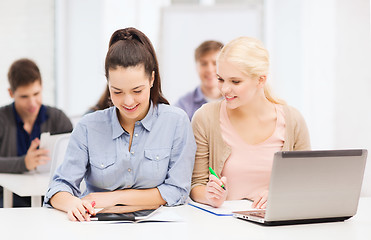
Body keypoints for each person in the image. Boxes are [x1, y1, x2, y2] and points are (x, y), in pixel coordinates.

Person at [45, 27, 196, 221]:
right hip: (96, 225)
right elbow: (58, 187)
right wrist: (73, 203)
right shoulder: (89, 126)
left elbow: (177, 191)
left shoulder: (176, 122)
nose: (128, 102)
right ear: (108, 84)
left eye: (137, 91)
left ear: (151, 78)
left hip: (159, 227)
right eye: (117, 92)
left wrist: (111, 198)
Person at [190, 37, 310, 209]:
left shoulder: (293, 120)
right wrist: (210, 196)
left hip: (277, 228)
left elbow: (306, 184)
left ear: (260, 80)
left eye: (235, 81)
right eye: (221, 79)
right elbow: (197, 185)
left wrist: (280, 195)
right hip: (225, 226)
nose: (224, 89)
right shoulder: (205, 118)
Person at [0, 58, 73, 207]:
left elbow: (77, 159)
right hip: (7, 198)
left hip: (50, 195)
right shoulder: (2, 119)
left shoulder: (58, 119)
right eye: (24, 97)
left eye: (36, 93)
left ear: (42, 87)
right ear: (11, 93)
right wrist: (23, 163)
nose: (32, 103)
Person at [175, 40, 223, 120]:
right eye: (204, 63)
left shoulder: (236, 101)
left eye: (215, 63)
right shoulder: (183, 105)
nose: (210, 69)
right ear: (196, 67)